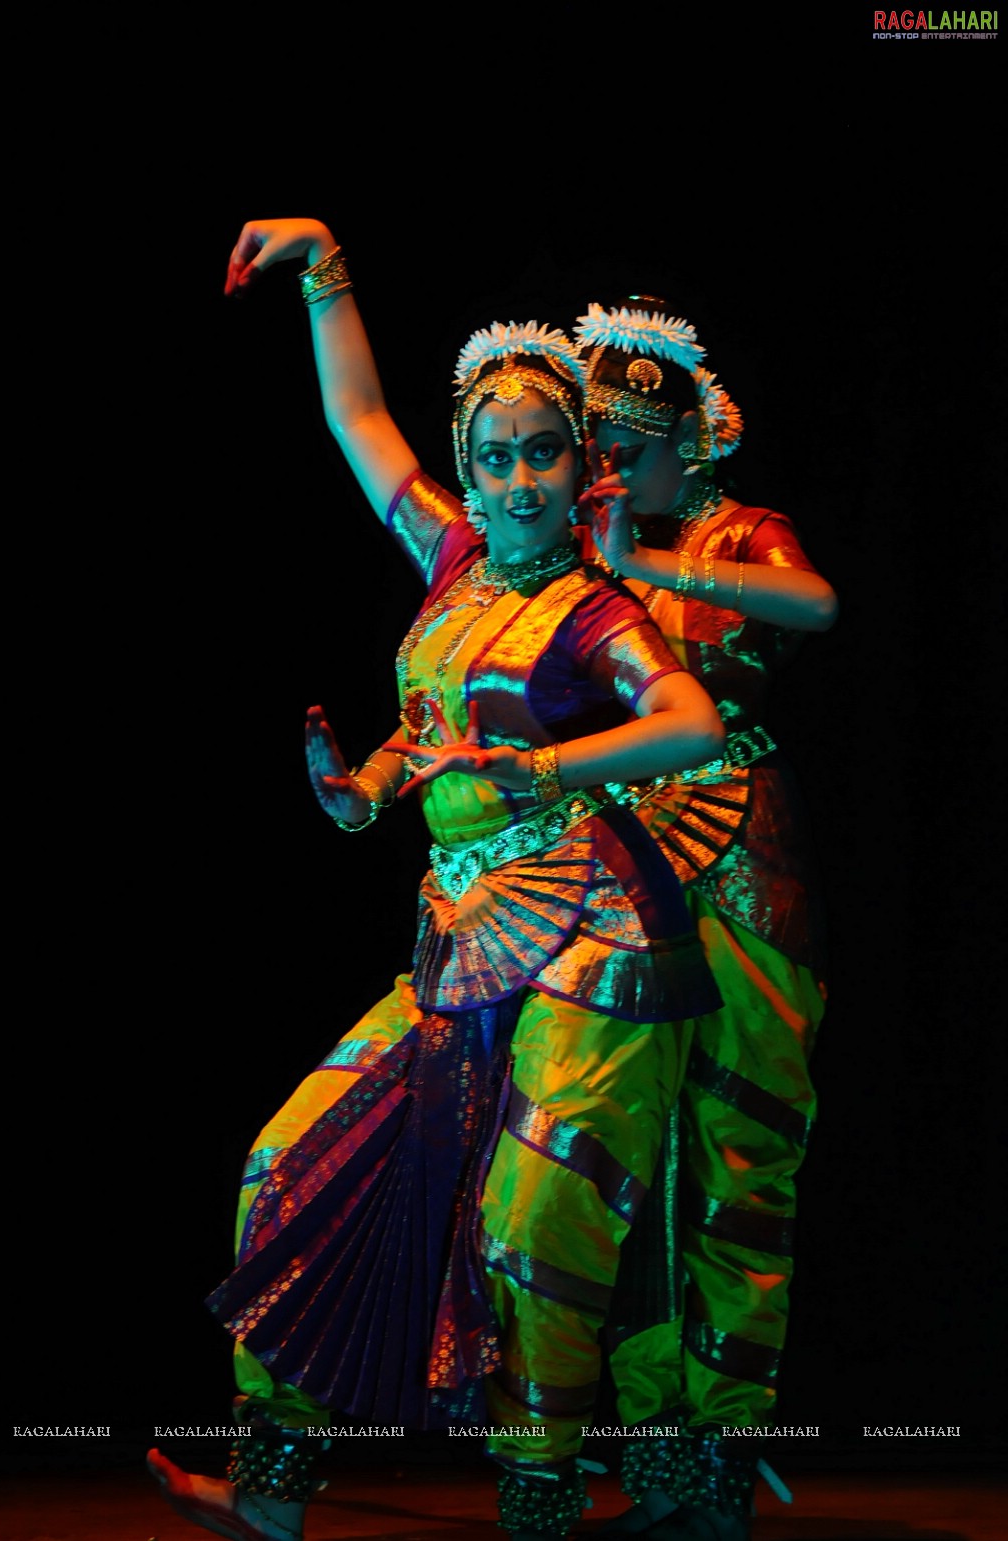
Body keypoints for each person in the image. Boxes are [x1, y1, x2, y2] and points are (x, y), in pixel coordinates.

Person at [147, 221, 728, 1541]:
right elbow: (359, 421)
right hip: (461, 940)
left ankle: (543, 1501)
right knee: (287, 1164)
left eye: (540, 454)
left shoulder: (597, 613)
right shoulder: (454, 563)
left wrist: (554, 767)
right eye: (491, 457)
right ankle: (274, 1491)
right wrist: (327, 269)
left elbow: (688, 722)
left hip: (599, 938)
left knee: (536, 1225)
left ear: (582, 469)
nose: (515, 480)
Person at [573, 300, 838, 1541]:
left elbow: (815, 606)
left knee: (739, 1161)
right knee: (618, 1168)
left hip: (745, 872)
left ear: (699, 440)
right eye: (600, 441)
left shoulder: (735, 535)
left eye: (639, 441)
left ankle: (725, 1452)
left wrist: (649, 567)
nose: (614, 465)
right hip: (617, 870)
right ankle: (655, 1459)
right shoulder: (575, 547)